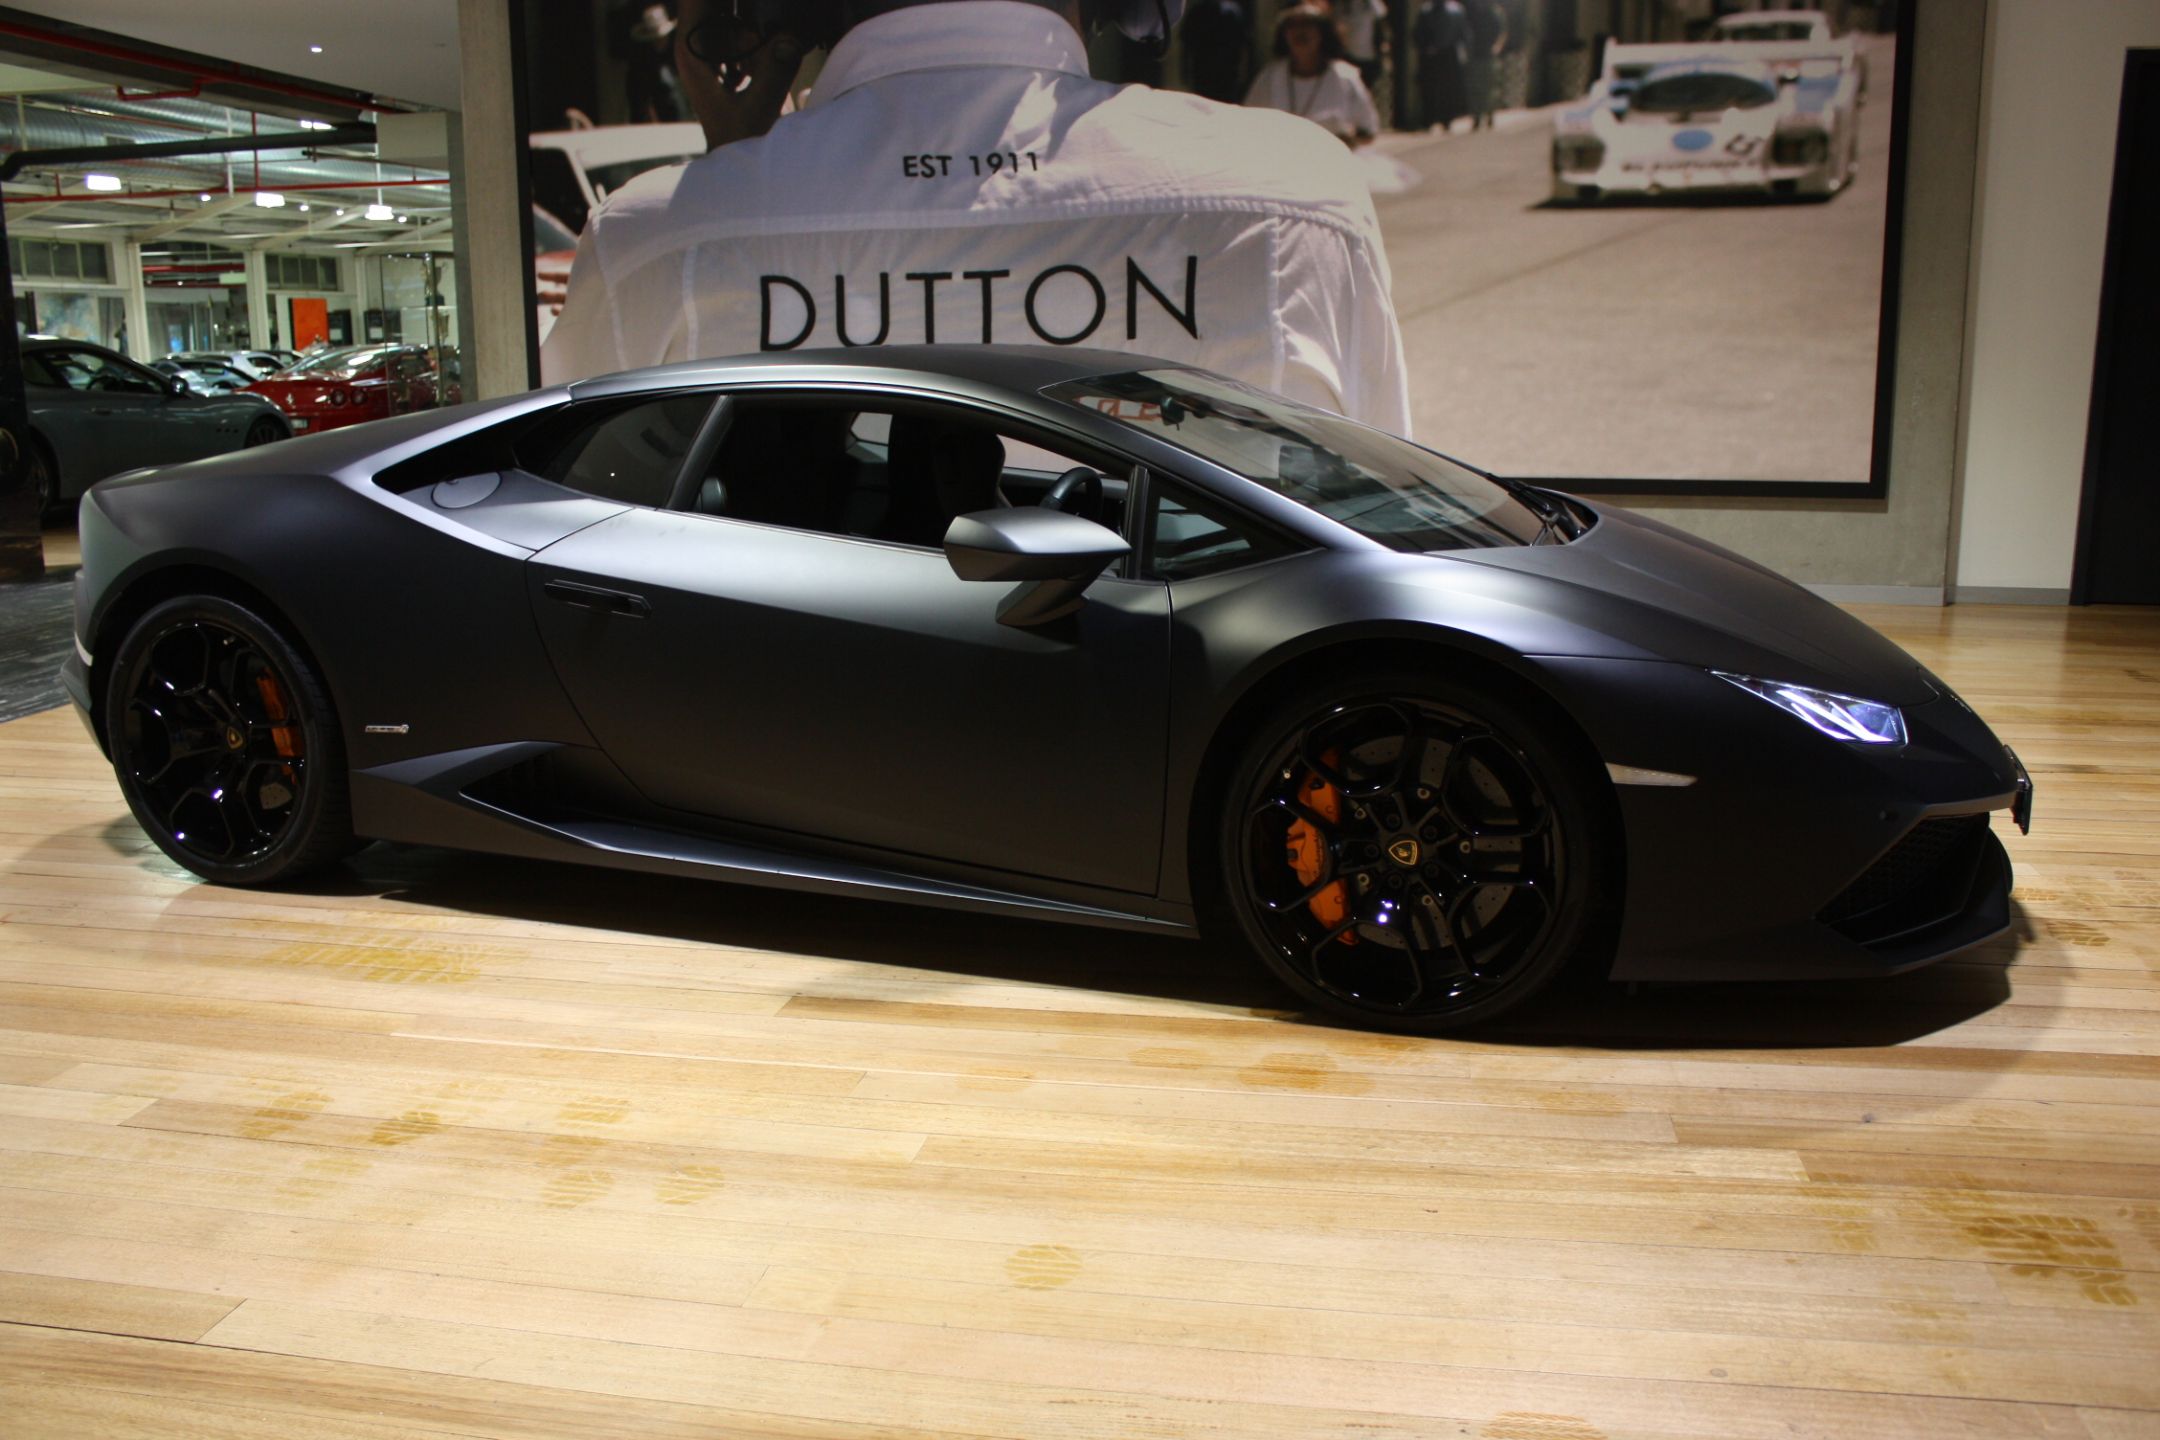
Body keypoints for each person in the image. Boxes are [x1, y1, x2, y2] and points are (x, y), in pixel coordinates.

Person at [543, 0, 1410, 437]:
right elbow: (1381, 556)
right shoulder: (1298, 198)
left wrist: (733, 179)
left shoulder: (649, 242)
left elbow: (593, 564)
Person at [1242, 2, 1383, 150]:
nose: (1300, 32)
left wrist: (1346, 141)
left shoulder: (1345, 76)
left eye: (1307, 25)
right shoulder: (1270, 76)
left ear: (1323, 32)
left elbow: (1368, 131)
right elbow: (1247, 124)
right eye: (1292, 26)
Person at [1177, 0, 1252, 105]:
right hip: (1203, 72)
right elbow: (1186, 44)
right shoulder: (1198, 11)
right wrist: (1184, 70)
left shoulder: (1234, 11)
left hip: (1228, 72)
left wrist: (1243, 70)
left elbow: (1243, 44)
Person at [1412, 0, 1469, 133]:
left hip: (1446, 54)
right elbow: (1418, 33)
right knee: (1432, 87)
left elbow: (1462, 33)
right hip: (1435, 54)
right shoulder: (1427, 11)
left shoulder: (1454, 10)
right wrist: (1425, 47)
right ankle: (1432, 118)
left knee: (1444, 88)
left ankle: (1442, 118)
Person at [1332, 0, 1389, 102]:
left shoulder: (1371, 3)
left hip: (1368, 58)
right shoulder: (1342, 4)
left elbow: (1380, 20)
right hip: (1349, 57)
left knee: (1366, 94)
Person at [1463, 0, 1506, 130]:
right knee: (1475, 87)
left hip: (1488, 55)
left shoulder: (1494, 13)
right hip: (1475, 54)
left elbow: (1502, 32)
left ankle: (1489, 114)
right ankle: (1477, 116)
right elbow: (1466, 32)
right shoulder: (1472, 13)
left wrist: (1497, 47)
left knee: (1489, 87)